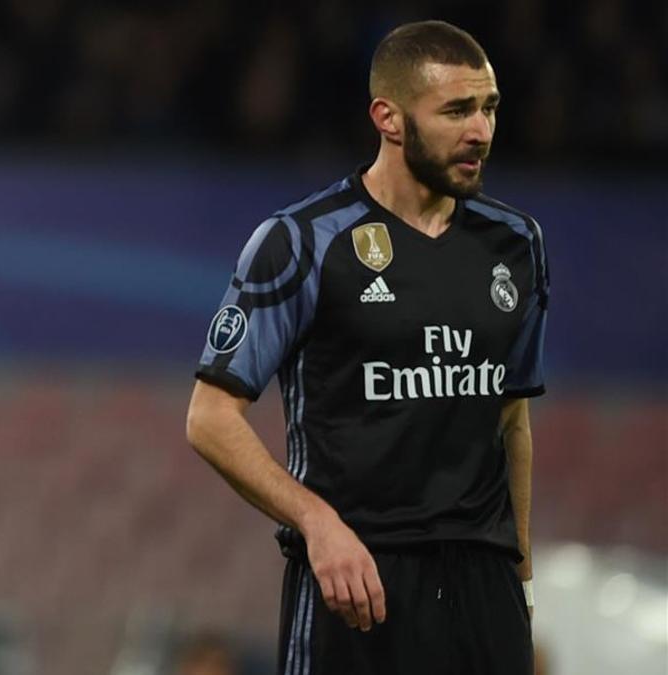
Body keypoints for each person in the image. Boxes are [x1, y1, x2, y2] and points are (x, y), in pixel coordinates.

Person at [186, 20, 546, 675]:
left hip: (483, 594)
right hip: (358, 582)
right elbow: (209, 417)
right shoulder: (302, 241)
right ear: (389, 117)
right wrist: (317, 522)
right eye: (457, 110)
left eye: (489, 107)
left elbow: (512, 418)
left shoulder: (515, 243)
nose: (482, 131)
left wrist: (519, 579)